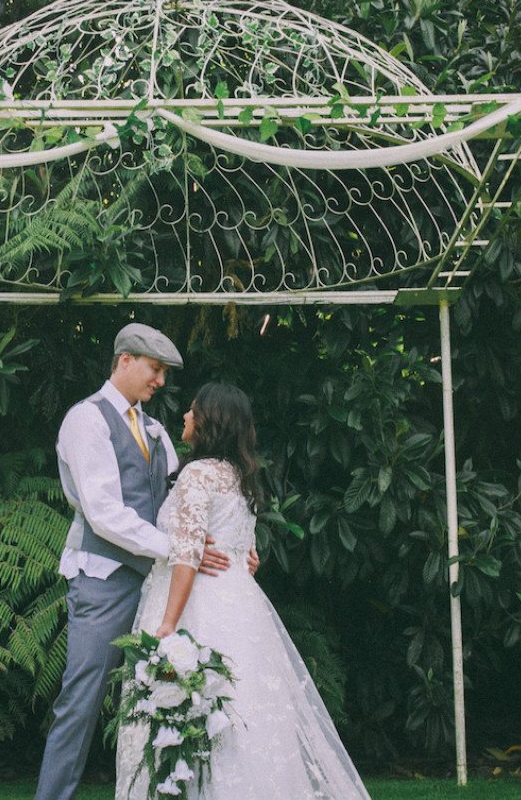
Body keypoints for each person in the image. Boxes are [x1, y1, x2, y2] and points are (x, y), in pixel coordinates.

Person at [115, 382, 373, 800]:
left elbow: (188, 554)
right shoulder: (241, 477)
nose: (184, 415)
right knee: (241, 712)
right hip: (239, 605)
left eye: (192, 410)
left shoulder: (198, 473)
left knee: (186, 706)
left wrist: (167, 624)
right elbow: (242, 551)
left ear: (208, 421)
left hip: (196, 604)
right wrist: (242, 562)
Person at [35, 323, 247, 800]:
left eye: (165, 373)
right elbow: (105, 513)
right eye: (155, 370)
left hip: (159, 585)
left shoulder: (154, 430)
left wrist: (227, 542)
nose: (161, 382)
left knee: (172, 697)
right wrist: (179, 550)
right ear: (124, 361)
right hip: (104, 581)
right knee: (82, 701)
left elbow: (180, 506)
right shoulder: (85, 420)